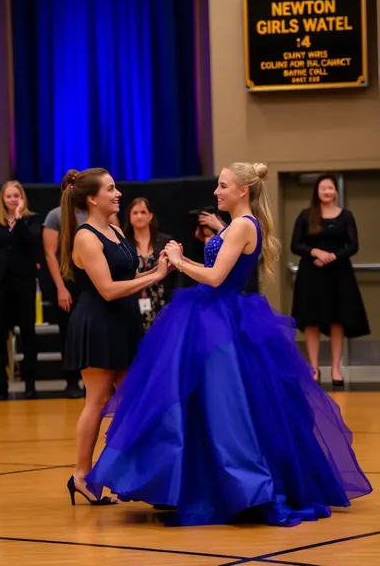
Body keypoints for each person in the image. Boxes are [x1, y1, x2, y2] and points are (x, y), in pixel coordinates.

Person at [85, 162, 372, 527]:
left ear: (242, 191)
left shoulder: (241, 225)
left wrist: (178, 261)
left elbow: (216, 277)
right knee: (206, 404)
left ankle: (237, 486)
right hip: (213, 314)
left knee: (225, 407)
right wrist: (182, 259)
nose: (217, 192)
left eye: (223, 186)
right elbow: (216, 268)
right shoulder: (238, 224)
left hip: (219, 316)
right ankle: (193, 481)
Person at [59, 168, 169, 505]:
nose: (118, 193)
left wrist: (162, 265)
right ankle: (81, 476)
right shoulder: (86, 236)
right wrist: (156, 277)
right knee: (98, 400)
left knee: (136, 399)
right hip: (98, 323)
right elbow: (107, 290)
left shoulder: (115, 229)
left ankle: (142, 476)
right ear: (93, 198)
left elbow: (129, 275)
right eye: (111, 188)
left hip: (123, 322)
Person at [291, 173, 370, 386]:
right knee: (312, 321)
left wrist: (332, 256)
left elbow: (353, 245)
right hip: (311, 275)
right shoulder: (306, 215)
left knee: (338, 321)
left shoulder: (346, 216)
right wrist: (315, 251)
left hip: (339, 274)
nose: (327, 191)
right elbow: (295, 245)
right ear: (316, 192)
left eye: (330, 188)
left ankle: (336, 369)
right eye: (323, 188)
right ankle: (314, 368)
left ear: (335, 191)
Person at [0, 181, 41, 400]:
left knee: (28, 334)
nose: (13, 199)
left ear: (22, 197)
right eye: (9, 196)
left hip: (23, 284)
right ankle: (0, 384)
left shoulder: (31, 220)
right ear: (2, 200)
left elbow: (32, 245)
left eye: (17, 195)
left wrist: (18, 218)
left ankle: (30, 384)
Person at [43, 171, 87, 398]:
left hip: (89, 279)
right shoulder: (55, 216)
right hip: (67, 280)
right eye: (70, 185)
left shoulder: (91, 214)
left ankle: (91, 378)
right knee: (68, 332)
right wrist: (60, 288)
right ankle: (70, 379)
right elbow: (50, 254)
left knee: (88, 330)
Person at [123, 197, 174, 331]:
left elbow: (174, 273)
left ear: (151, 216)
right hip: (133, 302)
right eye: (135, 213)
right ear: (129, 217)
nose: (139, 216)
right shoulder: (123, 244)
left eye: (143, 212)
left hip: (162, 302)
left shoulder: (165, 241)